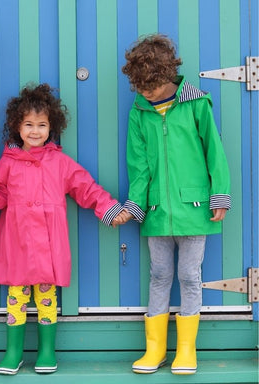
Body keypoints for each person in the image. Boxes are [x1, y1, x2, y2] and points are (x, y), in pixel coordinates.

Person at [0, 83, 129, 375]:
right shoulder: (8, 163)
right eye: (28, 124)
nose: (35, 131)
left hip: (48, 244)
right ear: (17, 126)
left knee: (46, 297)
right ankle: (13, 351)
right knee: (16, 298)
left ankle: (47, 350)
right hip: (17, 241)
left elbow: (85, 188)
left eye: (41, 125)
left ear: (52, 127)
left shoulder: (60, 162)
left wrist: (109, 209)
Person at [121, 34, 231, 375]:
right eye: (139, 87)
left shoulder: (197, 103)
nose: (144, 93)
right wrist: (135, 205)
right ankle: (155, 349)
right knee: (159, 274)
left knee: (188, 275)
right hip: (157, 210)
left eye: (150, 87)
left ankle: (186, 349)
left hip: (195, 207)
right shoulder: (139, 111)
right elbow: (137, 166)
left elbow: (216, 153)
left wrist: (220, 196)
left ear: (167, 78)